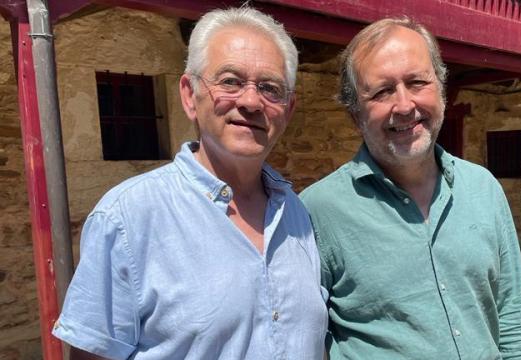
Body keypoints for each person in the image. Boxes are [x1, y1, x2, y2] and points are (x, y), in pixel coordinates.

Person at [53, 7, 328, 359]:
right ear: (189, 94)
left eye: (269, 88)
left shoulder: (296, 215)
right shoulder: (127, 219)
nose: (250, 101)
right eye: (230, 81)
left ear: (287, 110)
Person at [300, 17, 521, 360]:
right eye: (382, 91)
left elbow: (514, 315)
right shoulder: (316, 211)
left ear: (442, 92)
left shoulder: (483, 189)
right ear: (355, 115)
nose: (403, 106)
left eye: (417, 82)